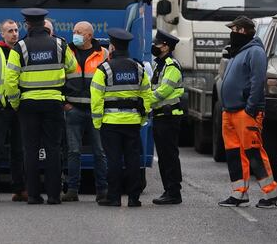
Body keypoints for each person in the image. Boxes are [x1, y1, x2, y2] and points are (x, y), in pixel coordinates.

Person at [5, 8, 77, 205]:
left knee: (30, 149)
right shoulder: (60, 44)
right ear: (45, 24)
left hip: (28, 104)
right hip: (54, 102)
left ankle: (34, 195)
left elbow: (10, 80)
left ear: (27, 25)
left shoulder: (20, 47)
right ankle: (54, 196)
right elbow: (72, 67)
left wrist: (15, 102)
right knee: (54, 149)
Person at [218, 16, 277, 209]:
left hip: (245, 112)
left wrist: (250, 108)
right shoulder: (239, 52)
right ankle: (239, 194)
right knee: (234, 154)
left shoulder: (255, 51)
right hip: (230, 111)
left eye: (234, 29)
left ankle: (271, 195)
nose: (232, 33)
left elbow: (257, 81)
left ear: (243, 31)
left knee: (253, 152)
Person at [91, 28, 154, 207]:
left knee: (113, 160)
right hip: (133, 122)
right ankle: (134, 198)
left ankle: (114, 197)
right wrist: (142, 119)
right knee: (133, 160)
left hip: (110, 123)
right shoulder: (138, 68)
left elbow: (97, 97)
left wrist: (97, 122)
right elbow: (146, 95)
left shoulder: (104, 69)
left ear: (111, 47)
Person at [62, 21, 109, 202]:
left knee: (99, 151)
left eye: (79, 32)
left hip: (95, 110)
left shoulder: (103, 54)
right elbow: (58, 78)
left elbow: (109, 80)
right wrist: (64, 103)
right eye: (74, 31)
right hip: (73, 109)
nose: (75, 34)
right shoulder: (66, 51)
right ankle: (72, 190)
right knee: (73, 151)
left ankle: (102, 190)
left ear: (89, 35)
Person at [0, 19, 26, 203]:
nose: (14, 34)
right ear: (2, 34)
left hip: (19, 109)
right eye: (10, 31)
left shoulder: (22, 51)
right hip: (1, 110)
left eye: (16, 30)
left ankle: (19, 189)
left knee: (19, 151)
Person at [150, 30, 185, 205]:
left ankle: (174, 192)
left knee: (169, 156)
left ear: (166, 46)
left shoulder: (171, 66)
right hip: (160, 116)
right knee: (164, 157)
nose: (154, 46)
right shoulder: (160, 64)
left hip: (169, 117)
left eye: (157, 44)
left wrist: (144, 100)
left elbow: (163, 91)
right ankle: (168, 191)